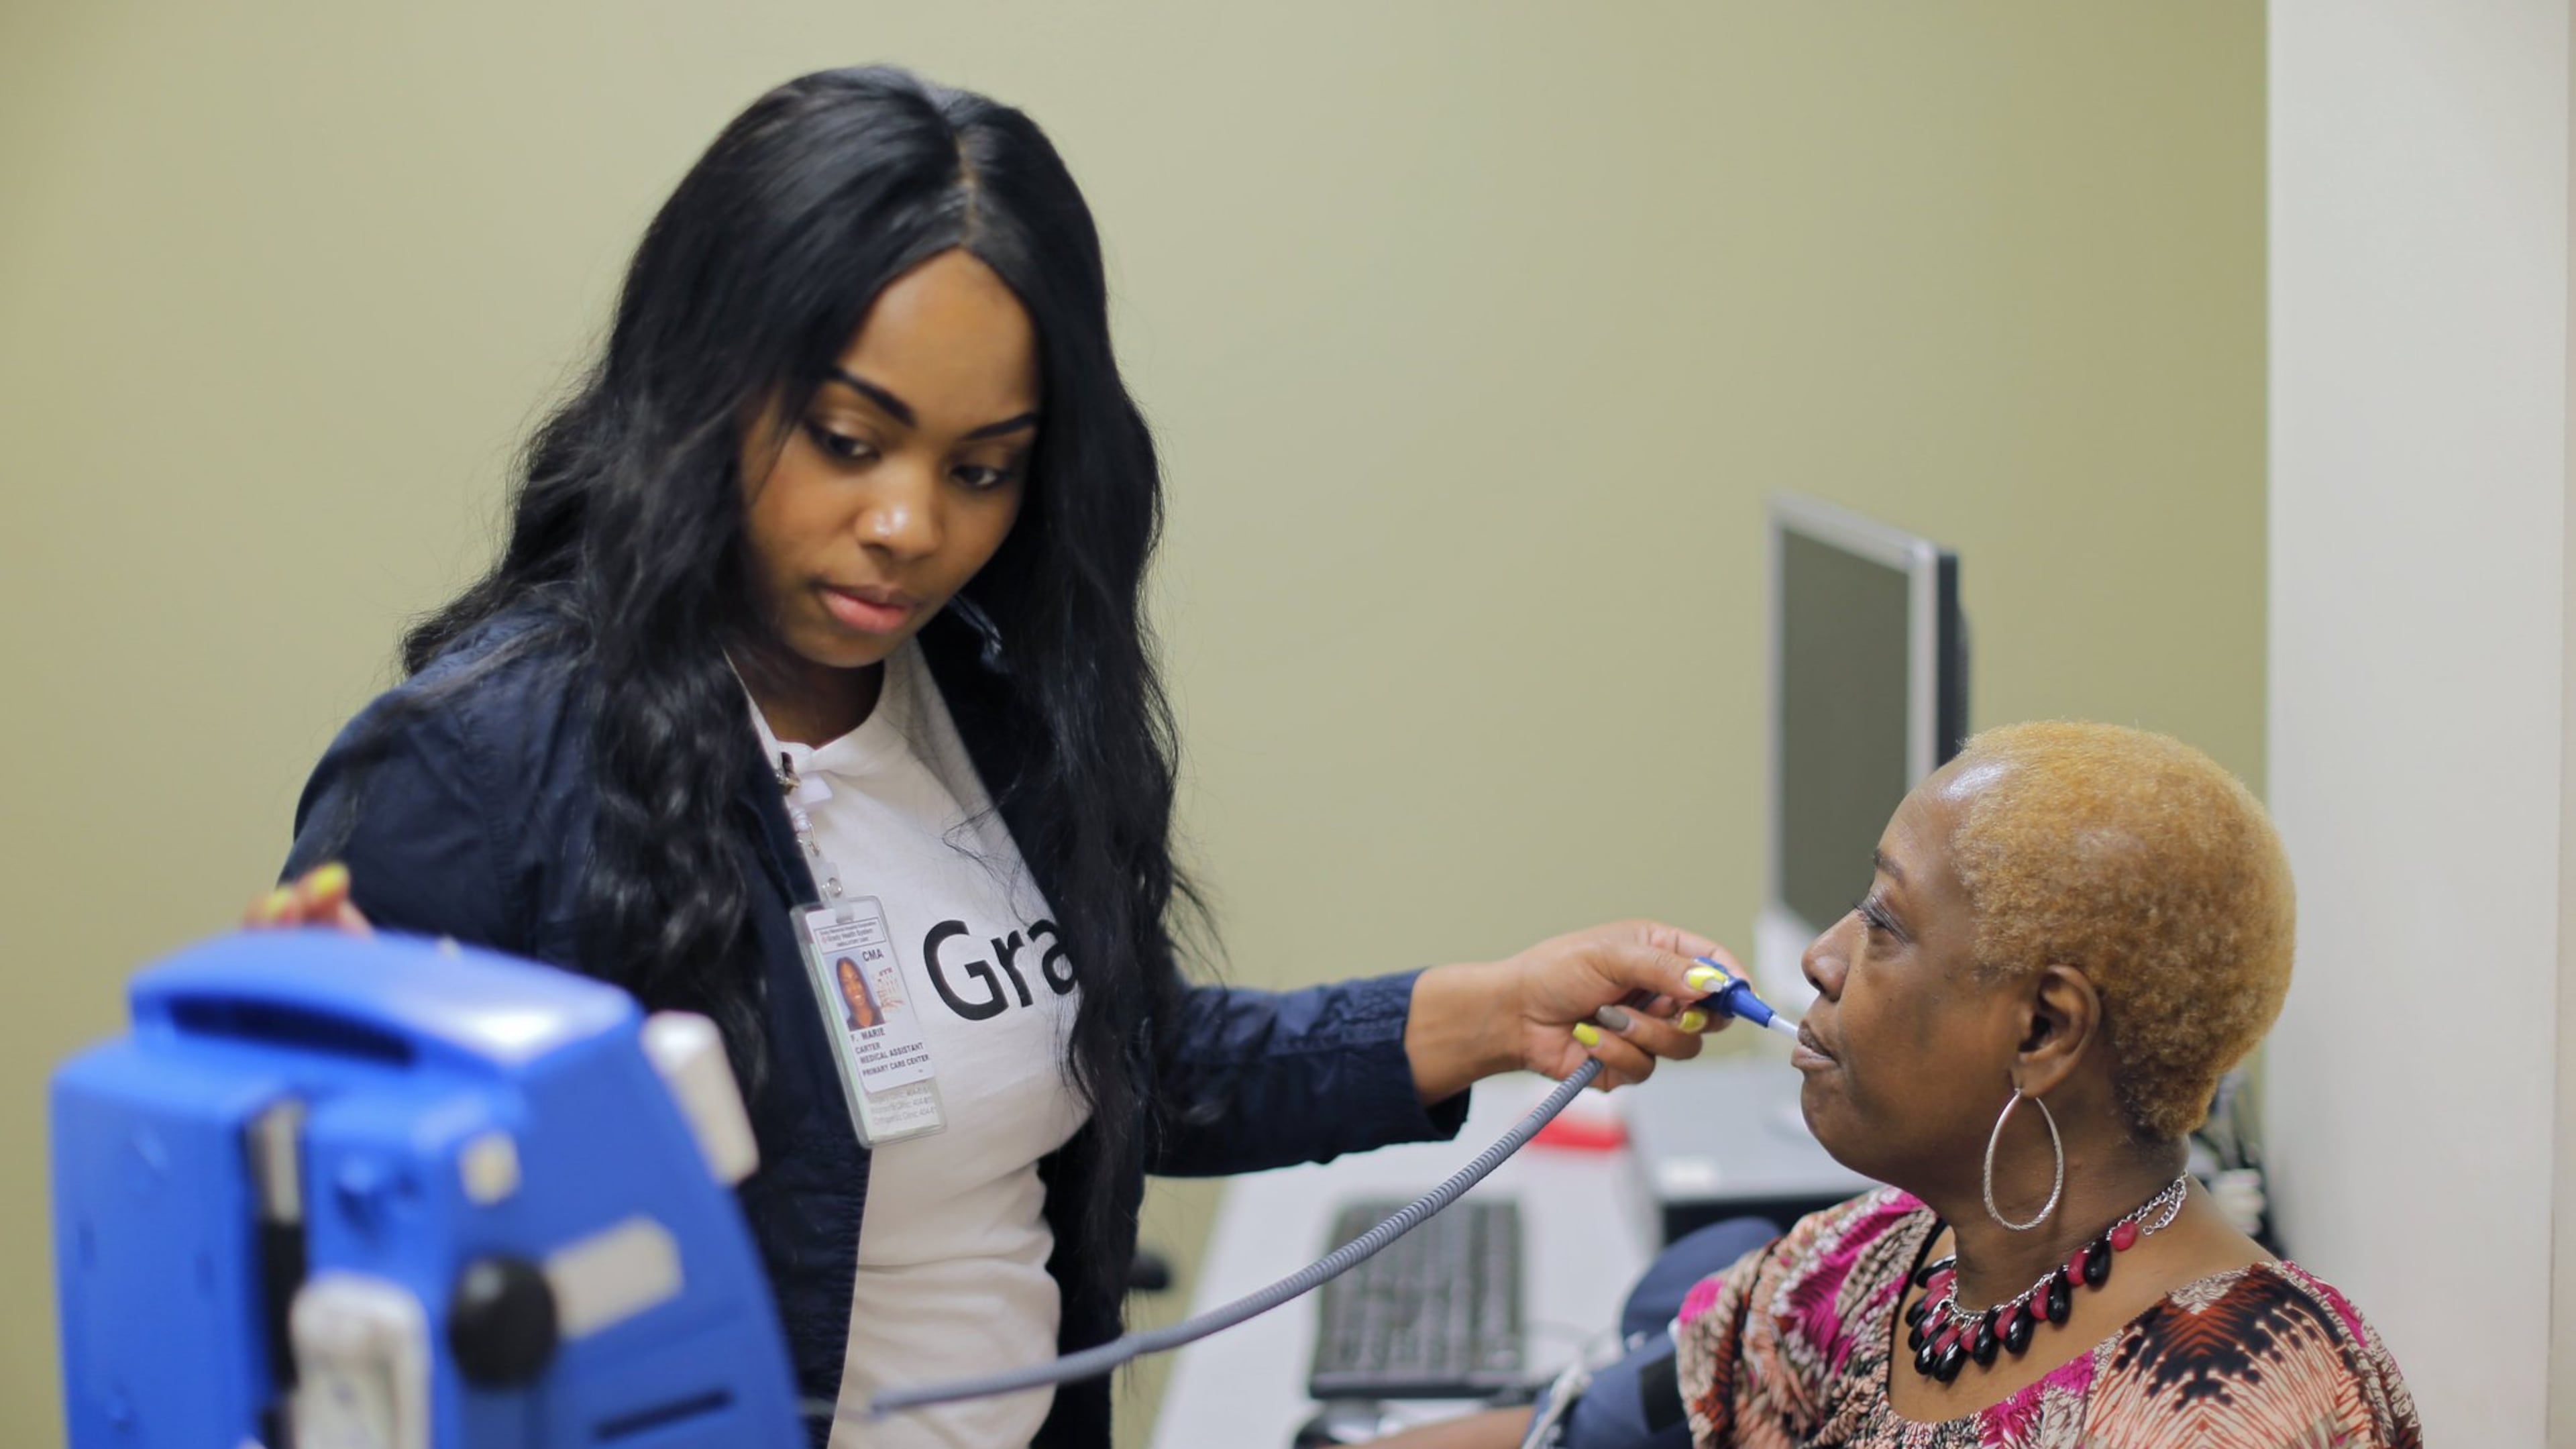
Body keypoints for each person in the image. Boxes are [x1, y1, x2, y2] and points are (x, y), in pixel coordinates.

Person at [249, 66, 1732, 1449]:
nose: (912, 526)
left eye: (981, 469)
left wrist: (1494, 1012)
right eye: (848, 440)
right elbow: (348, 1327)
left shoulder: (983, 700)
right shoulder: (478, 769)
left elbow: (1116, 1063)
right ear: (704, 386)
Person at [1377, 721, 2418, 1449]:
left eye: (1883, 922)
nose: (1823, 959)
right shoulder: (1870, 1273)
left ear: (2045, 1028)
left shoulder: (2233, 1415)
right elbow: (1587, 1428)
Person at [837, 956, 881, 1030]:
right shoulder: (846, 1028)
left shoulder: (884, 1013)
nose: (854, 988)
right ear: (843, 989)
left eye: (856, 979)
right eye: (846, 983)